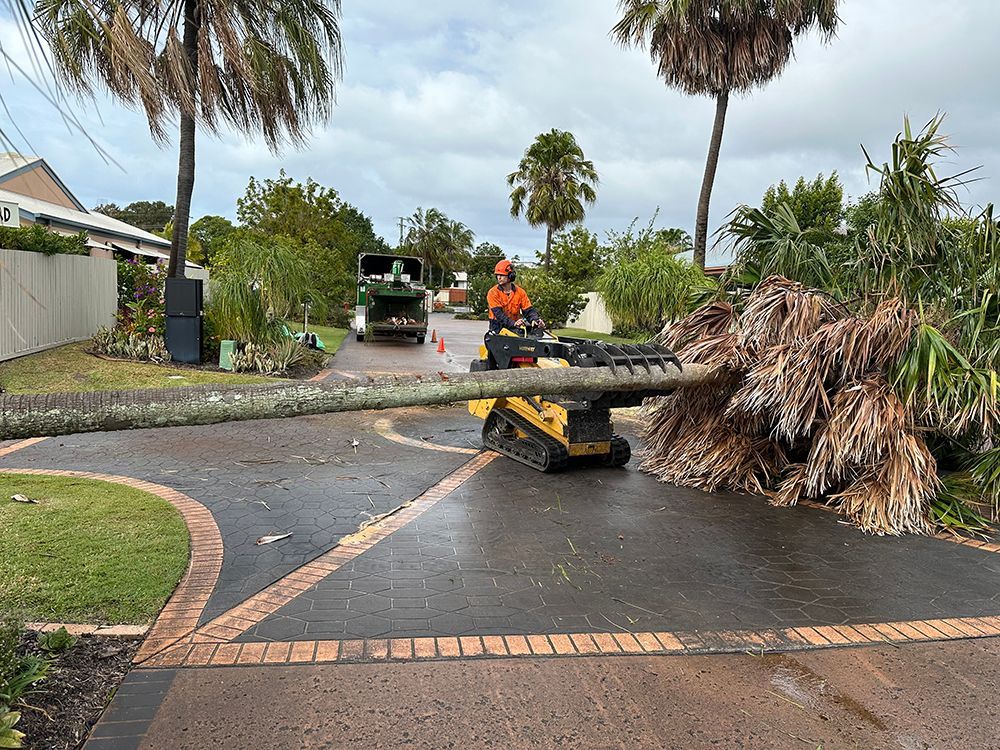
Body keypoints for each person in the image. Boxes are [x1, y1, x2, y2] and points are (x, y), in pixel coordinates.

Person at [486, 259, 545, 336]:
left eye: (502, 275)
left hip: (514, 327)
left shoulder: (520, 292)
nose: (499, 278)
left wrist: (535, 320)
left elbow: (528, 310)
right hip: (498, 328)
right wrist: (513, 324)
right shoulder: (493, 293)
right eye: (497, 275)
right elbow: (499, 315)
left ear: (511, 276)